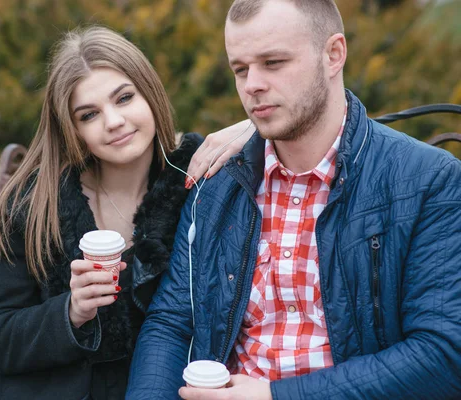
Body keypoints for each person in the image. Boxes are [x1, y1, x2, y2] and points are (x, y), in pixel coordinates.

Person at [126, 0, 461, 399]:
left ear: (333, 55)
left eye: (273, 62)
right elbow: (171, 323)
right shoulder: (216, 183)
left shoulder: (426, 179)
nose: (252, 85)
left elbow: (442, 356)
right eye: (240, 69)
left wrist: (275, 396)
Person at [0, 26, 254, 400]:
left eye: (124, 98)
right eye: (89, 115)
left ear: (149, 92)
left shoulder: (199, 177)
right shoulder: (34, 203)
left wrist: (257, 129)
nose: (114, 121)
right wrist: (70, 311)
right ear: (71, 129)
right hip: (37, 387)